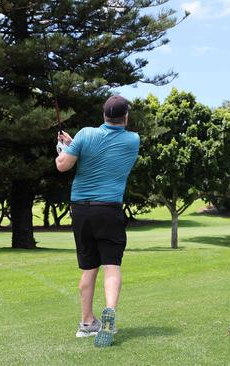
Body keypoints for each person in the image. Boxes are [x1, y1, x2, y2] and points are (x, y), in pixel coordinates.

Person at [55, 95, 139, 348]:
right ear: (125, 117)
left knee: (88, 267)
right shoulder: (133, 140)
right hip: (109, 209)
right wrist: (74, 145)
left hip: (80, 210)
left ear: (103, 114)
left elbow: (62, 165)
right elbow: (105, 152)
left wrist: (66, 147)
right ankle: (109, 311)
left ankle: (86, 322)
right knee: (111, 266)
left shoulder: (84, 134)